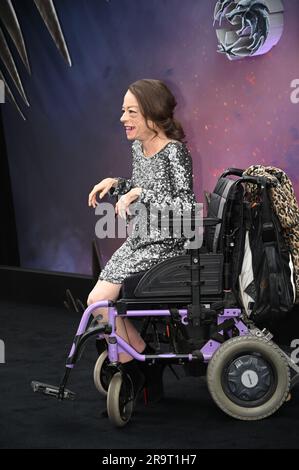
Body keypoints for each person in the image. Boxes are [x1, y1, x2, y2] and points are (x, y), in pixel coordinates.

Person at [87, 79, 196, 397]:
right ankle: (140, 358)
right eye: (123, 111)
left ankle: (136, 362)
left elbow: (185, 209)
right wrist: (119, 184)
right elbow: (143, 186)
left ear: (153, 115)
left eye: (131, 111)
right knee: (97, 305)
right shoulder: (139, 147)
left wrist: (139, 193)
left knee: (98, 302)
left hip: (168, 244)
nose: (123, 118)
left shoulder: (175, 152)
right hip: (142, 239)